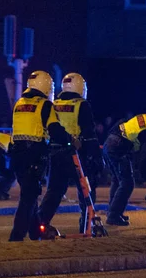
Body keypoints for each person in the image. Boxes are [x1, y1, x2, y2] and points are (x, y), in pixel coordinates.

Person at [9, 70, 72, 242]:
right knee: (28, 197)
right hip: (34, 155)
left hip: (16, 154)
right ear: (46, 87)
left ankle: (36, 232)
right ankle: (16, 236)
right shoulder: (45, 105)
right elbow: (55, 130)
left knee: (30, 193)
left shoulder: (19, 103)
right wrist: (69, 141)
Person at [38, 73, 104, 234]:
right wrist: (96, 157)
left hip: (55, 153)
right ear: (81, 88)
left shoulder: (53, 104)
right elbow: (88, 133)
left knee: (54, 191)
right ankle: (87, 225)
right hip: (76, 154)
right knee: (86, 190)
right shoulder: (82, 104)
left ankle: (40, 223)